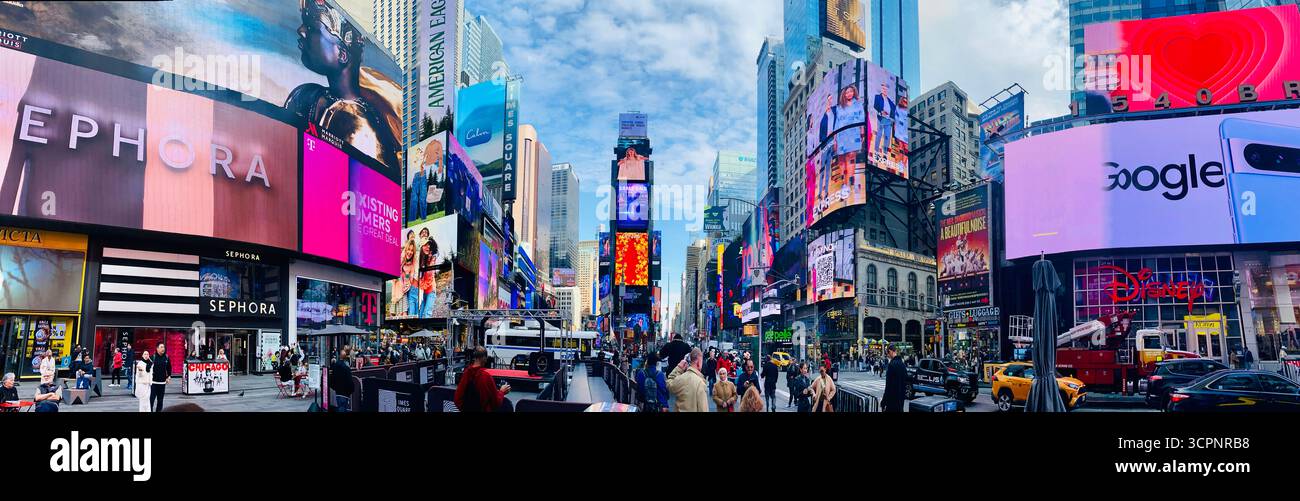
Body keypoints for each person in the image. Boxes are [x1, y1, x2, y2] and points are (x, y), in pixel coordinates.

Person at [287, 0, 401, 170]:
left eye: (311, 28)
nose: (301, 31)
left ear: (342, 55)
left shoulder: (362, 126)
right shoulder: (305, 95)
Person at [455, 346, 512, 412]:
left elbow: (457, 399)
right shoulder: (486, 377)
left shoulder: (466, 374)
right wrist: (502, 392)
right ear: (484, 358)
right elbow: (496, 402)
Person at [666, 348, 708, 412]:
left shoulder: (681, 378)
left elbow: (669, 383)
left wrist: (679, 368)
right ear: (698, 362)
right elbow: (703, 409)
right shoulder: (700, 383)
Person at [882, 345, 908, 413]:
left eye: (887, 353)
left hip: (892, 400)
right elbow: (906, 380)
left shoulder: (891, 365)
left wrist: (884, 401)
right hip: (901, 399)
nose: (887, 355)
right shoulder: (902, 364)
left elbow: (888, 386)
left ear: (890, 352)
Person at [330, 346, 355, 412]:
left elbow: (332, 379)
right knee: (343, 408)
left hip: (338, 391)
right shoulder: (346, 368)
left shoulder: (335, 366)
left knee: (340, 407)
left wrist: (334, 387)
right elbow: (349, 380)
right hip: (345, 393)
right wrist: (350, 390)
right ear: (345, 357)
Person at [149, 342, 171, 413]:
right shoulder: (153, 357)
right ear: (157, 348)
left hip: (162, 383)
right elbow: (147, 368)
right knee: (151, 400)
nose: (163, 349)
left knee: (160, 401)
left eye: (163, 347)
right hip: (153, 383)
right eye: (161, 347)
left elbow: (169, 368)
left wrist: (168, 377)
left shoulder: (166, 358)